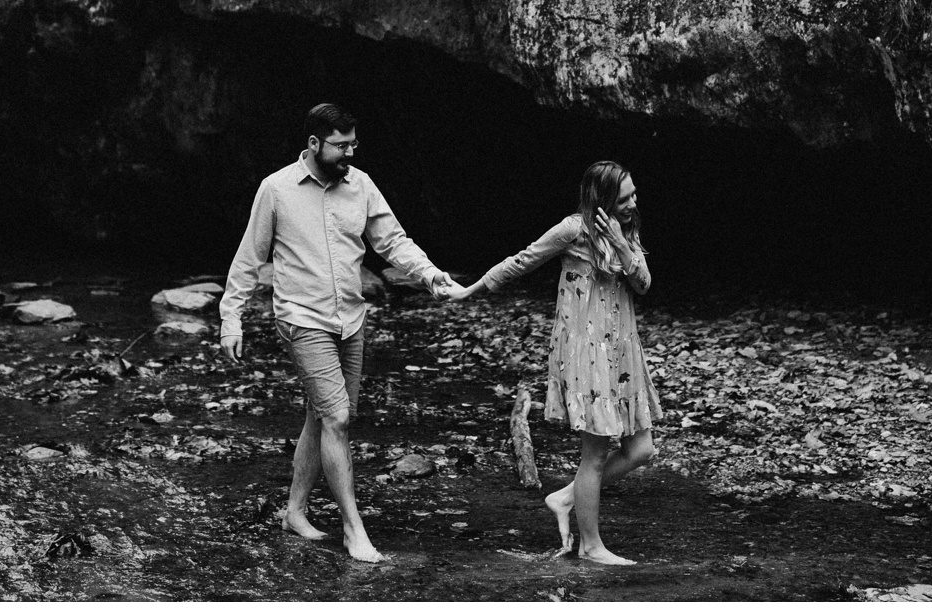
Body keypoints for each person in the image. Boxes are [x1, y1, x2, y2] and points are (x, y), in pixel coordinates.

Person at [218, 103, 463, 563]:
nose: (349, 153)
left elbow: (392, 241)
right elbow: (250, 256)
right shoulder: (276, 189)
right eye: (340, 145)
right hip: (302, 318)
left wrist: (431, 275)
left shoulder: (361, 184)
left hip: (350, 318)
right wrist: (231, 317)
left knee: (321, 415)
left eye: (353, 144)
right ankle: (354, 529)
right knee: (337, 418)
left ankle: (294, 511)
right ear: (314, 144)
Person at [448, 160, 658, 564]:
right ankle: (590, 546)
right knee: (594, 455)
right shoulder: (573, 229)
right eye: (624, 198)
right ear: (602, 200)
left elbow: (644, 284)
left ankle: (564, 498)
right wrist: (470, 290)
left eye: (634, 195)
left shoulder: (625, 230)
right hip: (588, 354)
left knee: (642, 449)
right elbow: (523, 259)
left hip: (622, 351)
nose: (633, 203)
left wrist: (621, 243)